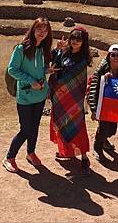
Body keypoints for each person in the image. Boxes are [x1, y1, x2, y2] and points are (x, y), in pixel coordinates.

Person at [3, 17, 53, 173]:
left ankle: (31, 153)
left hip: (39, 95)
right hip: (25, 96)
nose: (42, 33)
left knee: (35, 127)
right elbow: (12, 69)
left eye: (45, 31)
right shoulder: (21, 49)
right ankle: (9, 157)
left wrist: (46, 71)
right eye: (39, 29)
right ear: (33, 30)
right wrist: (31, 81)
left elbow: (39, 68)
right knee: (25, 129)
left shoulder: (43, 49)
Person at [49, 26, 93, 176]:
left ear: (83, 42)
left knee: (78, 127)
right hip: (60, 98)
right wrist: (57, 50)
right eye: (73, 38)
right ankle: (65, 151)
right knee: (61, 123)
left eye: (78, 39)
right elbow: (54, 68)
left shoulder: (83, 59)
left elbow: (72, 77)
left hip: (74, 100)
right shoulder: (63, 53)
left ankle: (84, 158)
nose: (74, 41)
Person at [87, 44, 118, 161]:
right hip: (103, 105)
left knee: (112, 130)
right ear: (109, 56)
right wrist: (94, 108)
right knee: (104, 127)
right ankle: (97, 148)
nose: (116, 57)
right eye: (113, 55)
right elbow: (94, 89)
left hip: (115, 106)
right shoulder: (101, 69)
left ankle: (104, 140)